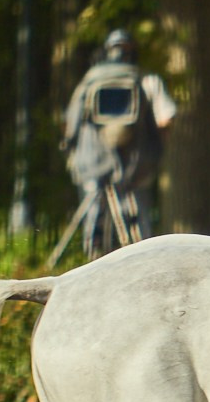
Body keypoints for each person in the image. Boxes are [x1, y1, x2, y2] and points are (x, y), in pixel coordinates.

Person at [61, 29, 178, 254]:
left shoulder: (89, 81)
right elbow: (166, 119)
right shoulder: (147, 80)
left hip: (94, 165)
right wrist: (154, 151)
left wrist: (71, 149)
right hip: (135, 170)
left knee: (94, 221)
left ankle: (92, 259)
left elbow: (70, 124)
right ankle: (141, 261)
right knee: (138, 229)